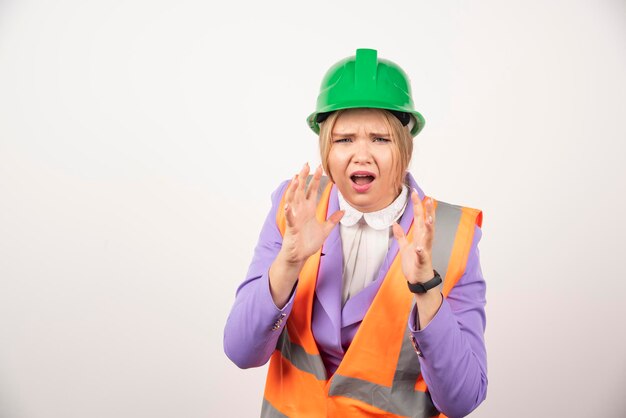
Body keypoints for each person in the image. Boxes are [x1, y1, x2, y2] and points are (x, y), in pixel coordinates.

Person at [224, 48, 487, 418]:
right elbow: (241, 351)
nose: (361, 155)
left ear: (405, 146)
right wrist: (290, 261)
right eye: (344, 139)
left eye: (380, 139)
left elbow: (462, 400)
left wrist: (427, 290)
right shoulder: (294, 207)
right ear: (325, 148)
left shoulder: (450, 235)